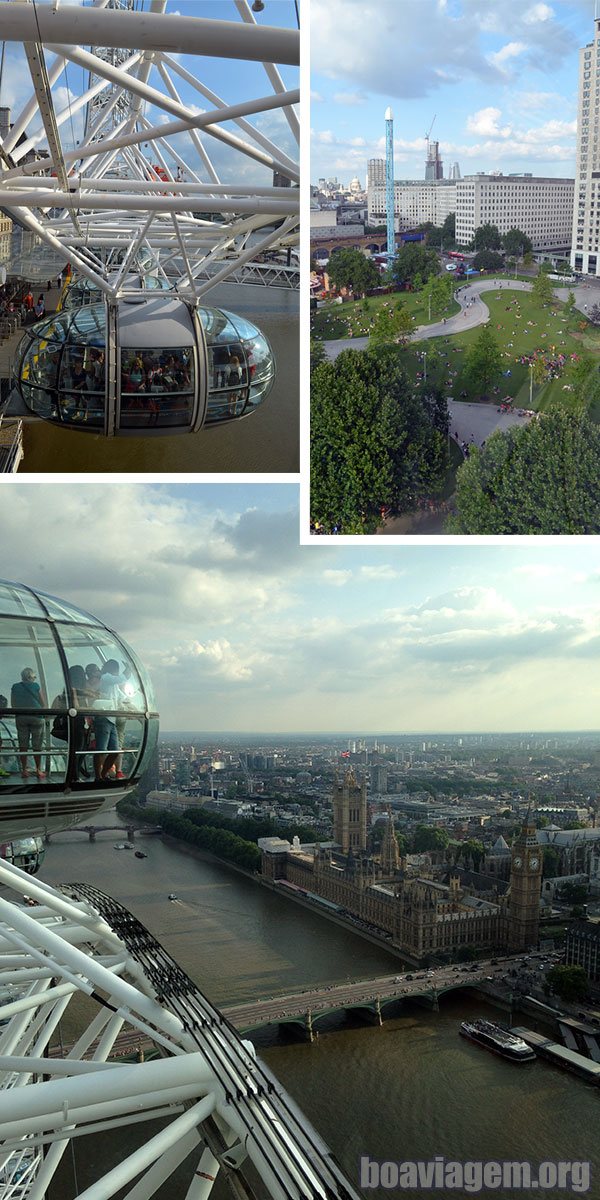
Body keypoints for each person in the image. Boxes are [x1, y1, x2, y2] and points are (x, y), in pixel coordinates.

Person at [93, 660, 131, 781]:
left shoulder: (112, 684)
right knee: (101, 749)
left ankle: (103, 774)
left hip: (111, 720)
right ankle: (98, 776)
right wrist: (128, 669)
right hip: (104, 718)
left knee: (115, 750)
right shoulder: (106, 678)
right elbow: (122, 678)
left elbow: (122, 697)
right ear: (113, 669)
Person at [11, 667, 47, 779]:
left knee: (23, 744)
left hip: (21, 717)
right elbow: (42, 704)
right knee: (37, 745)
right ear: (31, 677)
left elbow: (13, 704)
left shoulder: (15, 687)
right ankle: (38, 770)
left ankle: (24, 770)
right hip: (36, 717)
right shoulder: (35, 686)